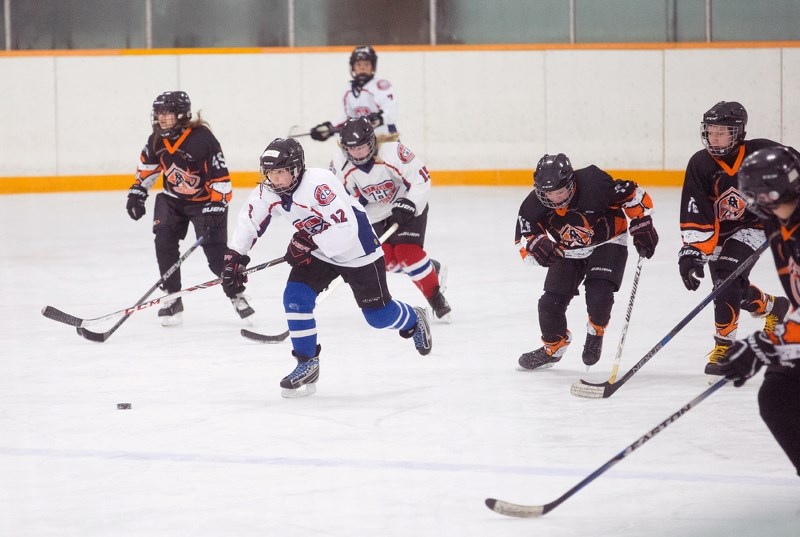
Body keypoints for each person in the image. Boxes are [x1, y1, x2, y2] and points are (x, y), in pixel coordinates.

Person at [222, 137, 432, 398]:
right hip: (319, 251)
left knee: (378, 317)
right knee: (296, 298)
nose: (274, 179)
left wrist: (307, 240)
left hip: (357, 250)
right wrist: (234, 257)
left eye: (280, 172)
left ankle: (414, 318)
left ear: (296, 169)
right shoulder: (270, 190)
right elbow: (250, 218)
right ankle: (306, 362)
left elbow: (346, 232)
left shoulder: (319, 184)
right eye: (270, 173)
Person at [514, 153, 659, 370]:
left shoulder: (594, 183)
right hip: (569, 250)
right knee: (548, 304)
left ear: (571, 183)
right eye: (548, 193)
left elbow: (632, 194)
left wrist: (642, 223)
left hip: (608, 242)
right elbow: (525, 235)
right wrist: (538, 245)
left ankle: (595, 330)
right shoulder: (532, 204)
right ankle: (554, 347)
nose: (554, 198)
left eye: (560, 191)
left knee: (599, 293)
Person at [678, 101, 790, 378]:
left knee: (728, 276)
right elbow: (696, 208)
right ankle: (772, 306)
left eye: (722, 132)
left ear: (738, 133)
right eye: (711, 131)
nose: (714, 137)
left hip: (755, 225)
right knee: (726, 286)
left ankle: (724, 347)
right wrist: (693, 251)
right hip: (720, 229)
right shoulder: (700, 163)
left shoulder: (763, 152)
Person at [126, 90, 254, 326]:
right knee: (163, 243)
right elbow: (147, 167)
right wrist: (138, 192)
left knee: (216, 256)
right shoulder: (157, 138)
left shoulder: (201, 138)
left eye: (167, 113)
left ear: (181, 114)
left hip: (206, 203)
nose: (161, 118)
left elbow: (219, 174)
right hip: (171, 200)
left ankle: (236, 294)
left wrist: (217, 205)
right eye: (159, 113)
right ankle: (173, 297)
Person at [717, 145, 800, 477]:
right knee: (778, 393)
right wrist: (770, 341)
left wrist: (767, 343)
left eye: (762, 193)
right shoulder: (778, 227)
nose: (755, 202)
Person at [330, 117, 451, 321]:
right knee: (384, 260)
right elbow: (342, 201)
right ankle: (429, 268)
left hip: (405, 206)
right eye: (351, 148)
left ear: (371, 142)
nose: (356, 152)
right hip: (373, 215)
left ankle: (435, 297)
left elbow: (421, 178)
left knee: (408, 254)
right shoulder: (339, 165)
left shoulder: (393, 152)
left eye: (361, 147)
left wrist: (410, 202)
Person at [309, 45, 398, 143]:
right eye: (359, 65)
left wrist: (379, 118)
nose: (362, 68)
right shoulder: (348, 90)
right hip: (362, 144)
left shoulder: (380, 86)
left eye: (366, 64)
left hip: (385, 138)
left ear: (373, 67)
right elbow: (346, 119)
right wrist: (329, 128)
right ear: (353, 67)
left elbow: (391, 113)